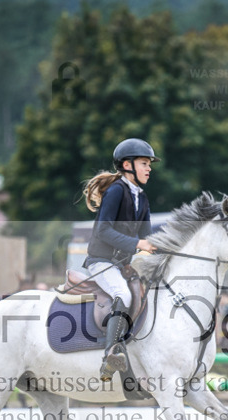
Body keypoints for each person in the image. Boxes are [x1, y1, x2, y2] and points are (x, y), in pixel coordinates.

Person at [81, 138, 160, 380]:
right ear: (127, 165)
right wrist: (138, 244)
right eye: (144, 163)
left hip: (123, 264)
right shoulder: (116, 191)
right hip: (102, 262)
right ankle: (110, 355)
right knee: (123, 295)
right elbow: (103, 231)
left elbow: (147, 236)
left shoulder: (142, 197)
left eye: (149, 164)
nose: (149, 168)